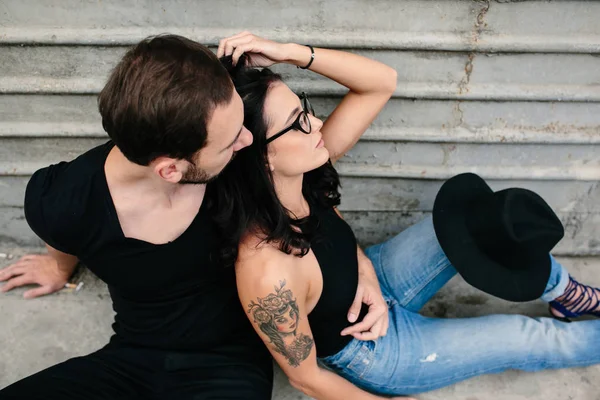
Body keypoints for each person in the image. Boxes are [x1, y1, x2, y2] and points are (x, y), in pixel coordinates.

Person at [213, 33, 600, 399]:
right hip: (374, 348)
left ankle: (564, 293)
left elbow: (381, 82)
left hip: (377, 276)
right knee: (526, 336)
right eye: (297, 123)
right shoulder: (266, 272)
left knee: (485, 220)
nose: (316, 124)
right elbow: (307, 378)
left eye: (306, 110)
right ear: (259, 153)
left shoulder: (303, 163)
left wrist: (288, 51)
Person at [0, 34, 269, 400]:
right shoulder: (64, 197)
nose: (248, 139)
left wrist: (359, 266)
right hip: (127, 360)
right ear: (170, 171)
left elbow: (315, 188)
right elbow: (58, 229)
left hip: (229, 364)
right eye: (230, 140)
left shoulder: (235, 161)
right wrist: (57, 267)